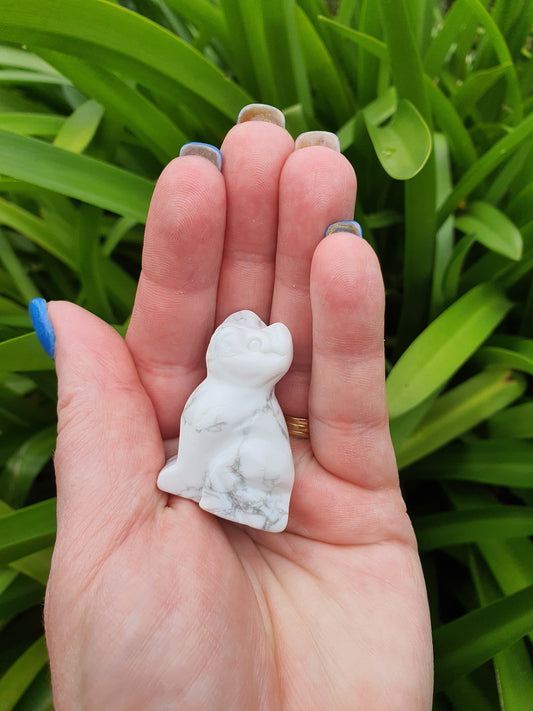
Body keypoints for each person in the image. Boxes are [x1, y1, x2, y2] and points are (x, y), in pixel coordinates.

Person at [32, 104, 433, 710]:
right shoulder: (225, 389)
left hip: (256, 478)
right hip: (238, 475)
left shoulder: (240, 396)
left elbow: (206, 432)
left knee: (224, 453)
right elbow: (200, 433)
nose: (269, 351)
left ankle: (231, 494)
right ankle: (215, 488)